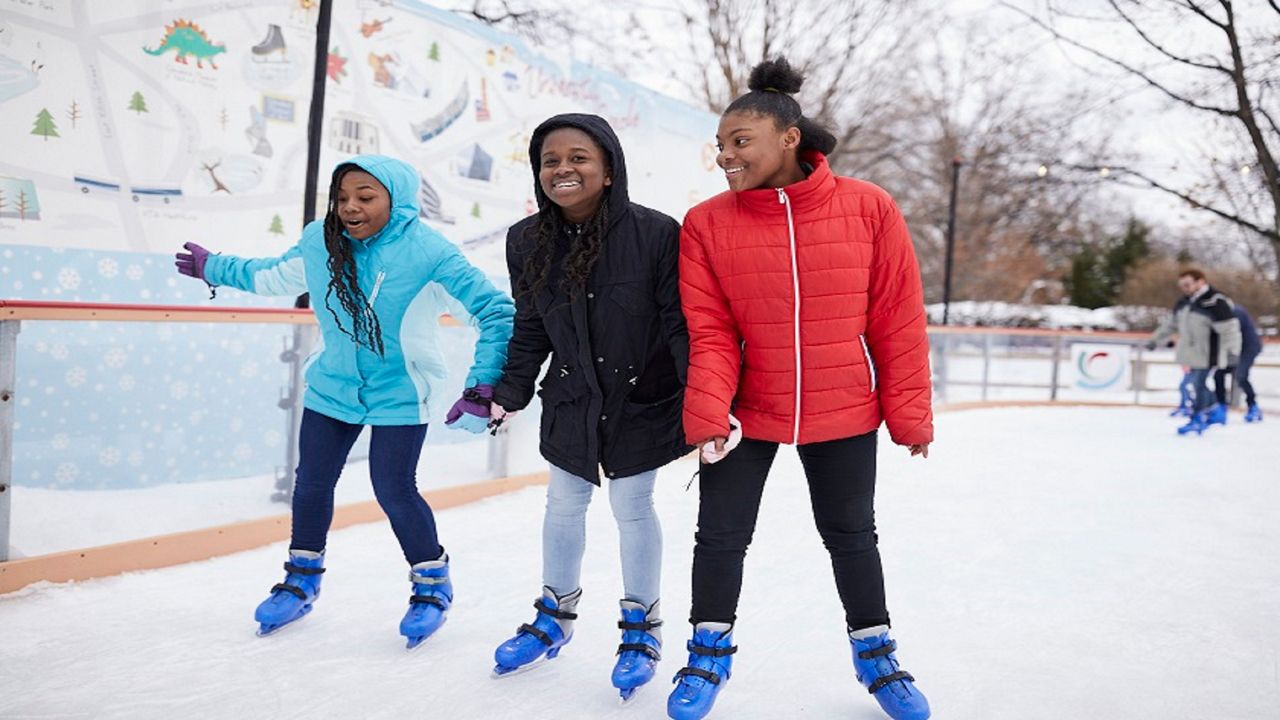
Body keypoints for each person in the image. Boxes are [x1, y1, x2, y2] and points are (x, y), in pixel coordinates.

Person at [670, 59, 933, 720]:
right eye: (722, 144)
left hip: (844, 405)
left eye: (741, 141)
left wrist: (908, 413)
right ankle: (707, 654)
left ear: (789, 137)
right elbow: (710, 330)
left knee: (852, 535)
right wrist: (706, 412)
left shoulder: (869, 208)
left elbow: (897, 317)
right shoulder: (706, 223)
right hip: (746, 411)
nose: (727, 155)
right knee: (720, 536)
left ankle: (877, 657)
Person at [174, 155, 514, 646]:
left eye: (365, 197)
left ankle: (431, 583)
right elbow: (276, 275)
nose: (350, 207)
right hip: (334, 385)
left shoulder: (430, 254)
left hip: (401, 389)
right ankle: (301, 579)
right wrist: (216, 267)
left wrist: (483, 386)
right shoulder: (321, 240)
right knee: (311, 483)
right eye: (342, 197)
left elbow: (494, 311)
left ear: (395, 201)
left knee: (393, 489)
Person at [487, 114, 690, 700]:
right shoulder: (527, 241)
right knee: (562, 503)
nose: (563, 169)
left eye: (578, 158)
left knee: (631, 505)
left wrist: (705, 398)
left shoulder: (655, 234)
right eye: (551, 160)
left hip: (640, 397)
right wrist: (510, 391)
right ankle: (554, 618)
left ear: (608, 169)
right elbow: (531, 326)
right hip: (573, 397)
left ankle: (641, 628)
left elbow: (679, 323)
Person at [1144, 268, 1242, 435]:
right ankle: (1215, 409)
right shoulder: (1184, 303)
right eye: (1182, 285)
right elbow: (1171, 325)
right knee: (1197, 384)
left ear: (1200, 281)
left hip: (1208, 352)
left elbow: (1230, 329)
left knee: (1197, 384)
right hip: (1191, 352)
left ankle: (1198, 417)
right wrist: (1155, 339)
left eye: (1188, 284)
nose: (1185, 288)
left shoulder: (1215, 301)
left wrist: (1232, 352)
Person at [1211, 303, 1264, 423]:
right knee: (1218, 374)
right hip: (1234, 348)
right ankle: (1221, 406)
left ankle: (1253, 406)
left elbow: (1232, 334)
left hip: (1249, 348)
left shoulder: (1235, 312)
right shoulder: (1221, 312)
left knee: (1240, 375)